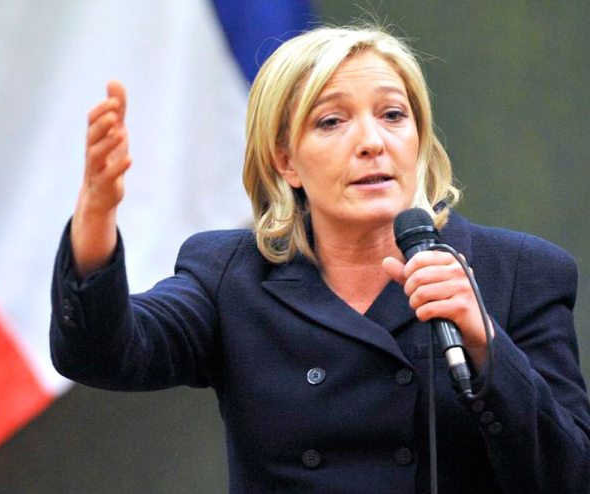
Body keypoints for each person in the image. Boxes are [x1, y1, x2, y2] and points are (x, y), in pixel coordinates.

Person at [50, 25, 590, 493]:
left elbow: (572, 476)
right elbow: (104, 354)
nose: (372, 142)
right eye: (332, 122)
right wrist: (95, 219)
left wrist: (486, 345)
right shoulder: (230, 275)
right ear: (285, 161)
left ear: (419, 140)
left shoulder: (518, 272)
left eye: (393, 115)